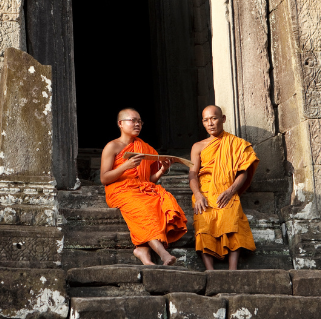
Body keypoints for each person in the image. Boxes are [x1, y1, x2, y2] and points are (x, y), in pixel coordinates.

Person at [100, 108, 188, 265]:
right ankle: (163, 253)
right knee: (143, 209)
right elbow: (104, 178)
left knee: (163, 200)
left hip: (142, 188)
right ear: (120, 123)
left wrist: (162, 170)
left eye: (139, 121)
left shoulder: (145, 148)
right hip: (120, 190)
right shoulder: (112, 147)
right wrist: (124, 166)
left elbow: (148, 179)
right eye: (133, 120)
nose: (137, 124)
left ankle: (143, 252)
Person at [189, 105, 257, 270]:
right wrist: (197, 194)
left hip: (227, 188)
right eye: (206, 120)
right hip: (204, 190)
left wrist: (231, 191)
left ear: (223, 119)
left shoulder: (237, 144)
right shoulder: (198, 146)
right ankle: (210, 269)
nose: (210, 123)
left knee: (232, 220)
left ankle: (232, 269)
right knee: (203, 223)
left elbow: (243, 173)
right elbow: (192, 174)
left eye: (213, 118)